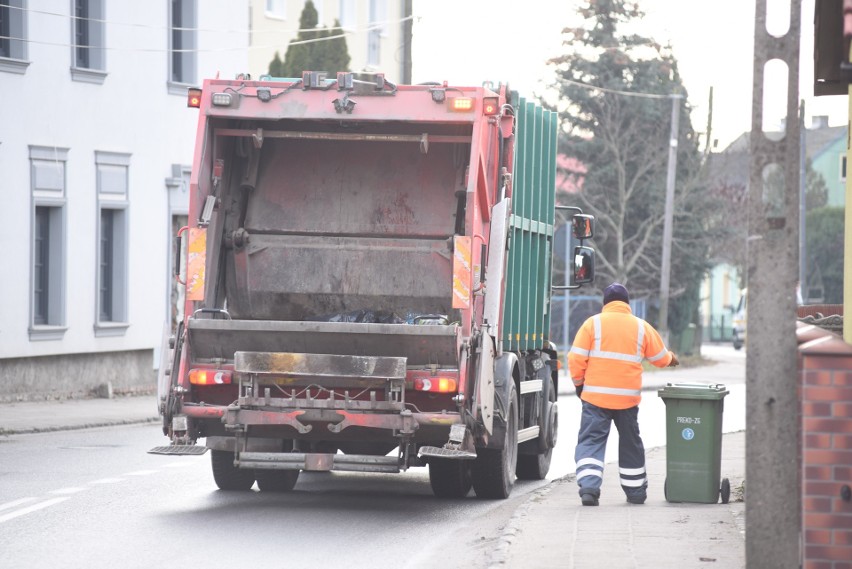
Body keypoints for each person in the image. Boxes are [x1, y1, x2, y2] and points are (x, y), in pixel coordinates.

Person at [568, 282, 679, 506]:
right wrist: (671, 359)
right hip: (627, 400)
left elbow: (575, 358)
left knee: (591, 441)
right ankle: (636, 492)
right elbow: (659, 357)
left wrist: (579, 384)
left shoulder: (592, 324)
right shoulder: (640, 326)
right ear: (627, 304)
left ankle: (589, 488)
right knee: (630, 443)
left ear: (605, 304)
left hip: (595, 398)